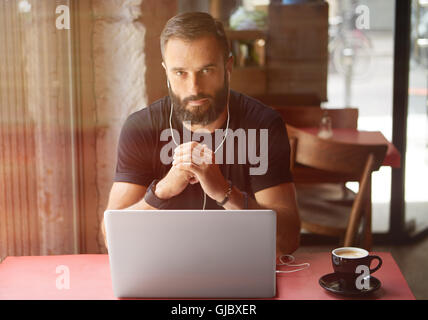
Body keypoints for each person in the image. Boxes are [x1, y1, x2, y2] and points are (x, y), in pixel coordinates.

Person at [101, 12, 300, 256]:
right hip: (164, 269)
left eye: (206, 70)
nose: (193, 87)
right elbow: (112, 238)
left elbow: (288, 240)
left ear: (228, 67)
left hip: (241, 267)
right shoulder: (141, 127)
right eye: (180, 73)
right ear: (166, 72)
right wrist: (162, 191)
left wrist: (225, 193)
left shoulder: (263, 125)